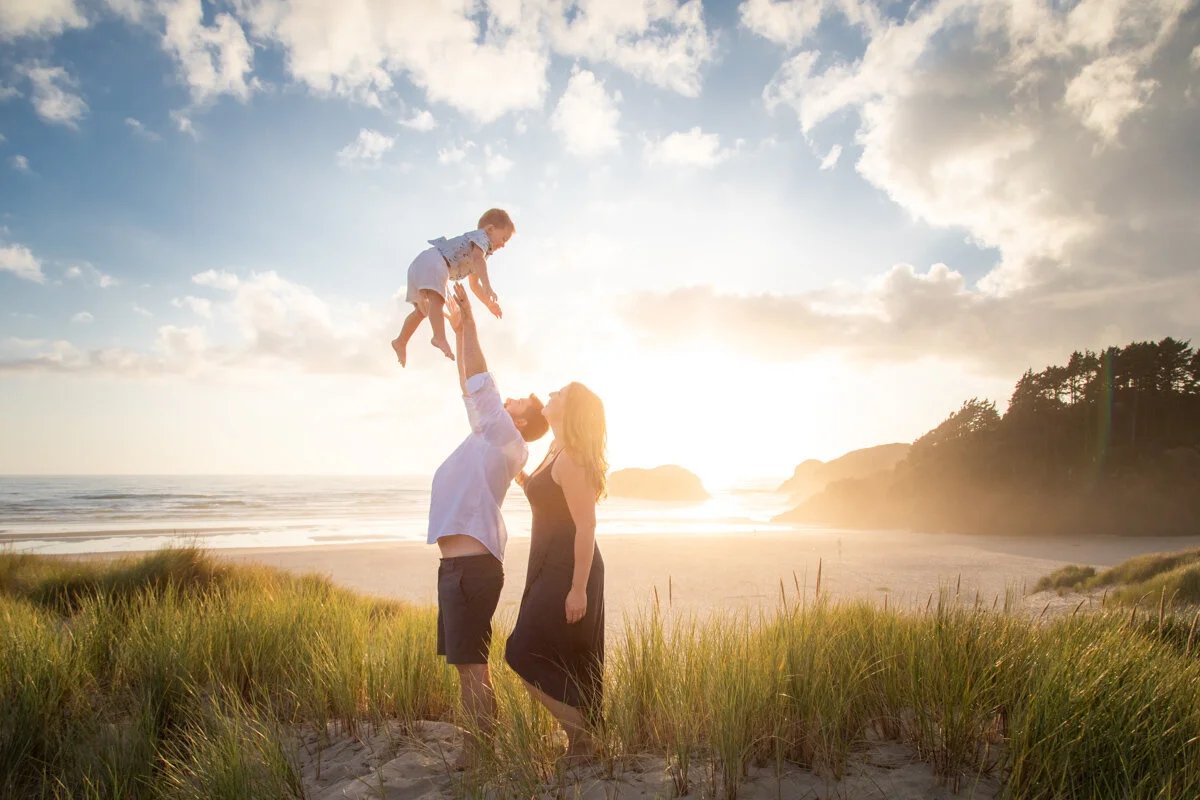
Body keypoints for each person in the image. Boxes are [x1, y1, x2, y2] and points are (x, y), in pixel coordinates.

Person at [427, 282, 548, 767]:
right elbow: (469, 387)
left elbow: (479, 382)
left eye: (518, 402)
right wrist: (460, 334)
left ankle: (479, 752)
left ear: (522, 421)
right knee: (467, 668)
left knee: (474, 669)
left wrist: (471, 325)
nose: (510, 399)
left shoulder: (506, 438)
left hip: (470, 570)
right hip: (459, 569)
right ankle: (477, 747)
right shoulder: (492, 432)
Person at [504, 380, 608, 763]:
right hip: (549, 563)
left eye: (559, 394)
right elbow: (548, 498)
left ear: (572, 410)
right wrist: (521, 478)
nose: (550, 395)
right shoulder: (554, 449)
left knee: (521, 651)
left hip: (570, 569)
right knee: (559, 654)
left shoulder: (573, 458)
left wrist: (578, 588)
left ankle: (582, 738)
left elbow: (586, 526)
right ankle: (582, 741)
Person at [391, 208, 513, 366]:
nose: (503, 245)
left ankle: (401, 341)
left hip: (421, 264)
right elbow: (478, 260)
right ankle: (439, 336)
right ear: (490, 229)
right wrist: (488, 285)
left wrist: (488, 304)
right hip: (435, 261)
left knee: (421, 311)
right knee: (437, 299)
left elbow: (474, 285)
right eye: (503, 238)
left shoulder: (478, 252)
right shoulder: (482, 238)